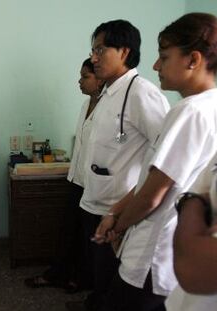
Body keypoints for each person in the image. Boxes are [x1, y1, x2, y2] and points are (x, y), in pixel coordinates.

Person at [93, 12, 217, 311]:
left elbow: (153, 195)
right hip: (173, 252)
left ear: (193, 60)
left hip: (152, 251)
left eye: (164, 57)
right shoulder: (216, 105)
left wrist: (118, 227)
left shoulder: (188, 112)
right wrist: (116, 211)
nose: (155, 66)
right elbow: (152, 182)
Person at [66, 20, 169, 311]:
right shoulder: (108, 93)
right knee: (100, 276)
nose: (94, 57)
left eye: (100, 49)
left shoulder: (143, 94)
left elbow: (164, 160)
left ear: (124, 52)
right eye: (93, 50)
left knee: (115, 282)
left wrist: (122, 213)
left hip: (118, 211)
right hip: (95, 201)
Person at [24, 58, 104, 293]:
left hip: (94, 185)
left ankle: (80, 280)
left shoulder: (109, 109)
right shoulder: (85, 105)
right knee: (68, 232)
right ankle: (58, 274)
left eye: (85, 77)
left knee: (88, 238)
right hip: (76, 180)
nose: (79, 81)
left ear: (100, 79)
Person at [165, 145, 217, 311]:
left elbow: (195, 268)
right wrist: (193, 202)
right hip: (181, 302)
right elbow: (193, 196)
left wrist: (193, 204)